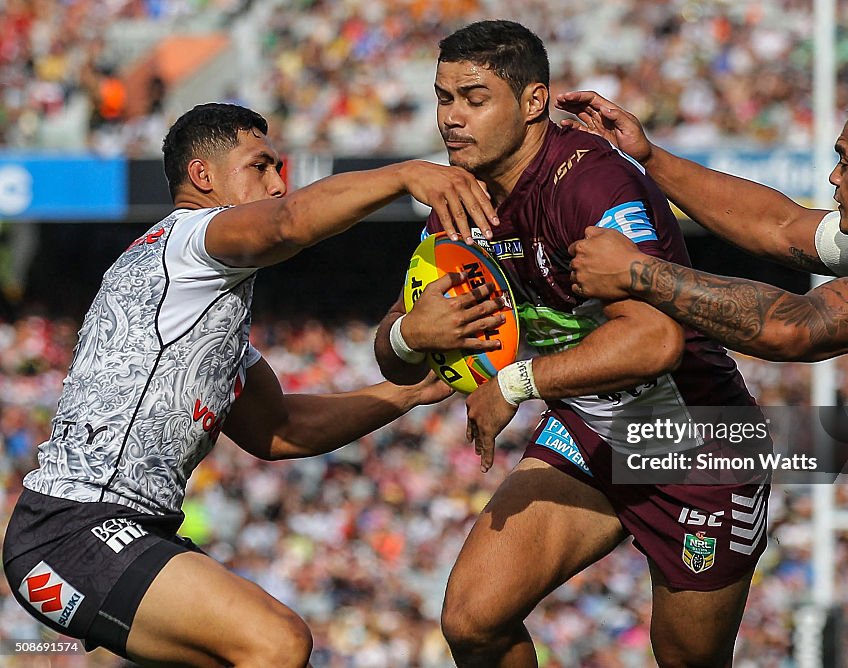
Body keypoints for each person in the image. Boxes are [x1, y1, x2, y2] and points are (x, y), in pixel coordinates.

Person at [2, 102, 500, 666]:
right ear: (203, 177)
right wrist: (406, 174)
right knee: (276, 641)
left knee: (257, 650)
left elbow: (281, 431)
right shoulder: (189, 239)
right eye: (259, 166)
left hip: (116, 529)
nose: (277, 182)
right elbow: (289, 222)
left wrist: (408, 392)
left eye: (279, 168)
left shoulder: (202, 306)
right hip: (73, 528)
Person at [559, 77, 848, 666]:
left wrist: (641, 274)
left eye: (844, 161)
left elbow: (793, 328)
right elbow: (779, 228)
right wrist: (647, 159)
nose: (833, 177)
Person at [374, 20, 770, 667]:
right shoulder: (457, 203)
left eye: (474, 99)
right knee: (472, 620)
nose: (451, 118)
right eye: (443, 98)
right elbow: (389, 352)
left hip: (699, 447)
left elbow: (655, 340)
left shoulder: (589, 182)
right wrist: (407, 333)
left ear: (533, 102)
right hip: (589, 432)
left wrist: (513, 383)